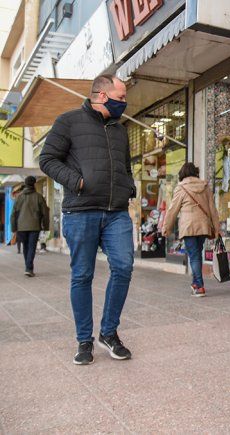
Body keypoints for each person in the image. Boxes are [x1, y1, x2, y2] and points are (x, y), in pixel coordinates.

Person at [39, 74, 135, 365]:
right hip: (81, 212)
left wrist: (128, 187)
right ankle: (84, 340)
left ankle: (109, 332)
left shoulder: (119, 130)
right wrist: (77, 182)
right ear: (103, 96)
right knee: (82, 275)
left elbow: (126, 166)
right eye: (121, 98)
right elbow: (47, 159)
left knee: (124, 266)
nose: (124, 104)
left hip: (116, 212)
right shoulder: (67, 121)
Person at [161, 163, 220, 297]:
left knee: (193, 256)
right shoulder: (205, 187)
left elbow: (172, 211)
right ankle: (195, 283)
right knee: (196, 255)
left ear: (182, 174)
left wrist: (166, 228)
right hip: (203, 226)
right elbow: (212, 209)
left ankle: (199, 286)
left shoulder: (181, 188)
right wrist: (216, 228)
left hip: (188, 227)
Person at [10, 176, 49, 277]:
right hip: (34, 226)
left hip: (21, 227)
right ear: (34, 184)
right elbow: (45, 213)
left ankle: (28, 267)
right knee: (32, 247)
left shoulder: (19, 197)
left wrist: (13, 228)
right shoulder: (38, 197)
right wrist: (46, 226)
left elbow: (13, 213)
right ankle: (29, 268)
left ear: (25, 184)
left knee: (26, 247)